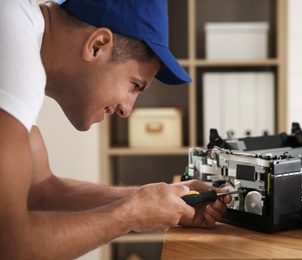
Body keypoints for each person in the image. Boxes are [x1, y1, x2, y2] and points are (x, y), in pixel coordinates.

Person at [0, 0, 230, 258]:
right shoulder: (14, 58)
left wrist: (155, 199)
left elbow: (38, 190)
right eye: (134, 85)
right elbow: (12, 245)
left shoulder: (19, 28)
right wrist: (132, 214)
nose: (127, 110)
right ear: (97, 45)